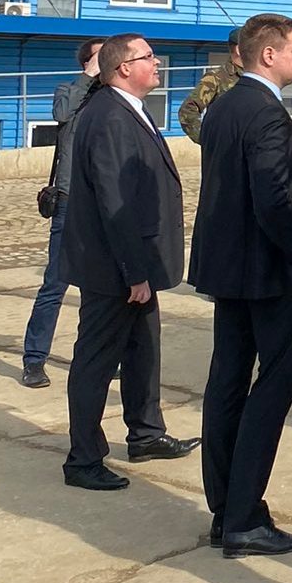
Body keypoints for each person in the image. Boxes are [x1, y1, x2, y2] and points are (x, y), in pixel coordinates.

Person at [190, 13, 292, 557]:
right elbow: (273, 196)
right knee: (273, 387)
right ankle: (244, 516)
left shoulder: (222, 107)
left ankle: (227, 509)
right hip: (268, 272)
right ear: (267, 55)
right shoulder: (264, 114)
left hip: (230, 270)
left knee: (226, 384)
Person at [60, 33, 199, 491]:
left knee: (144, 351)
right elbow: (113, 201)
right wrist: (134, 273)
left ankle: (146, 433)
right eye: (148, 57)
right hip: (114, 269)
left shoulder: (127, 109)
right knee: (96, 362)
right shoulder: (108, 117)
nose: (157, 62)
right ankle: (83, 459)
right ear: (123, 68)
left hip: (134, 265)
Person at [20, 37, 104, 388]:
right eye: (100, 56)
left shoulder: (112, 97)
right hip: (70, 200)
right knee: (55, 283)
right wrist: (88, 76)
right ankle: (34, 360)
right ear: (86, 61)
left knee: (98, 290)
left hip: (103, 203)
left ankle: (94, 356)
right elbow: (60, 115)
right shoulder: (68, 91)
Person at [178, 31, 243, 143]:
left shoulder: (258, 77)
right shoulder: (216, 78)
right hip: (226, 155)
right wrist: (210, 141)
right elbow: (187, 111)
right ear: (238, 49)